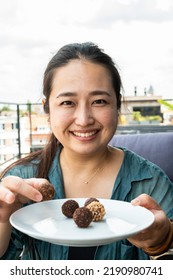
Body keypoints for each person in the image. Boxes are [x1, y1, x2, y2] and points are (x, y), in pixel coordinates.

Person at [0, 42, 173, 260]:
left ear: (117, 105)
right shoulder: (22, 180)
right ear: (47, 109)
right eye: (67, 102)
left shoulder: (151, 181)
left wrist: (162, 241)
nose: (83, 120)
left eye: (99, 101)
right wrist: (2, 221)